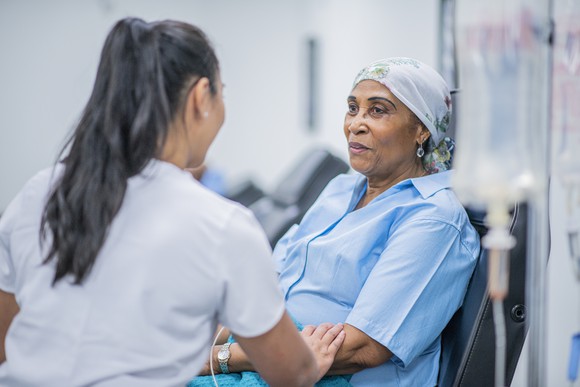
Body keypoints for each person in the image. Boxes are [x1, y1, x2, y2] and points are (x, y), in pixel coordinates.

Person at [0, 17, 345, 387]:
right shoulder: (222, 224)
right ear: (200, 97)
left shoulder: (38, 192)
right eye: (221, 93)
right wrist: (312, 359)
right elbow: (292, 374)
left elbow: (8, 343)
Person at [197, 57, 481, 386]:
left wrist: (217, 360)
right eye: (352, 108)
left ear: (421, 130)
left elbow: (364, 347)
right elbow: (267, 286)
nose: (355, 124)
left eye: (378, 110)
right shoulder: (340, 188)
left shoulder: (435, 219)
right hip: (269, 360)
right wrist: (203, 346)